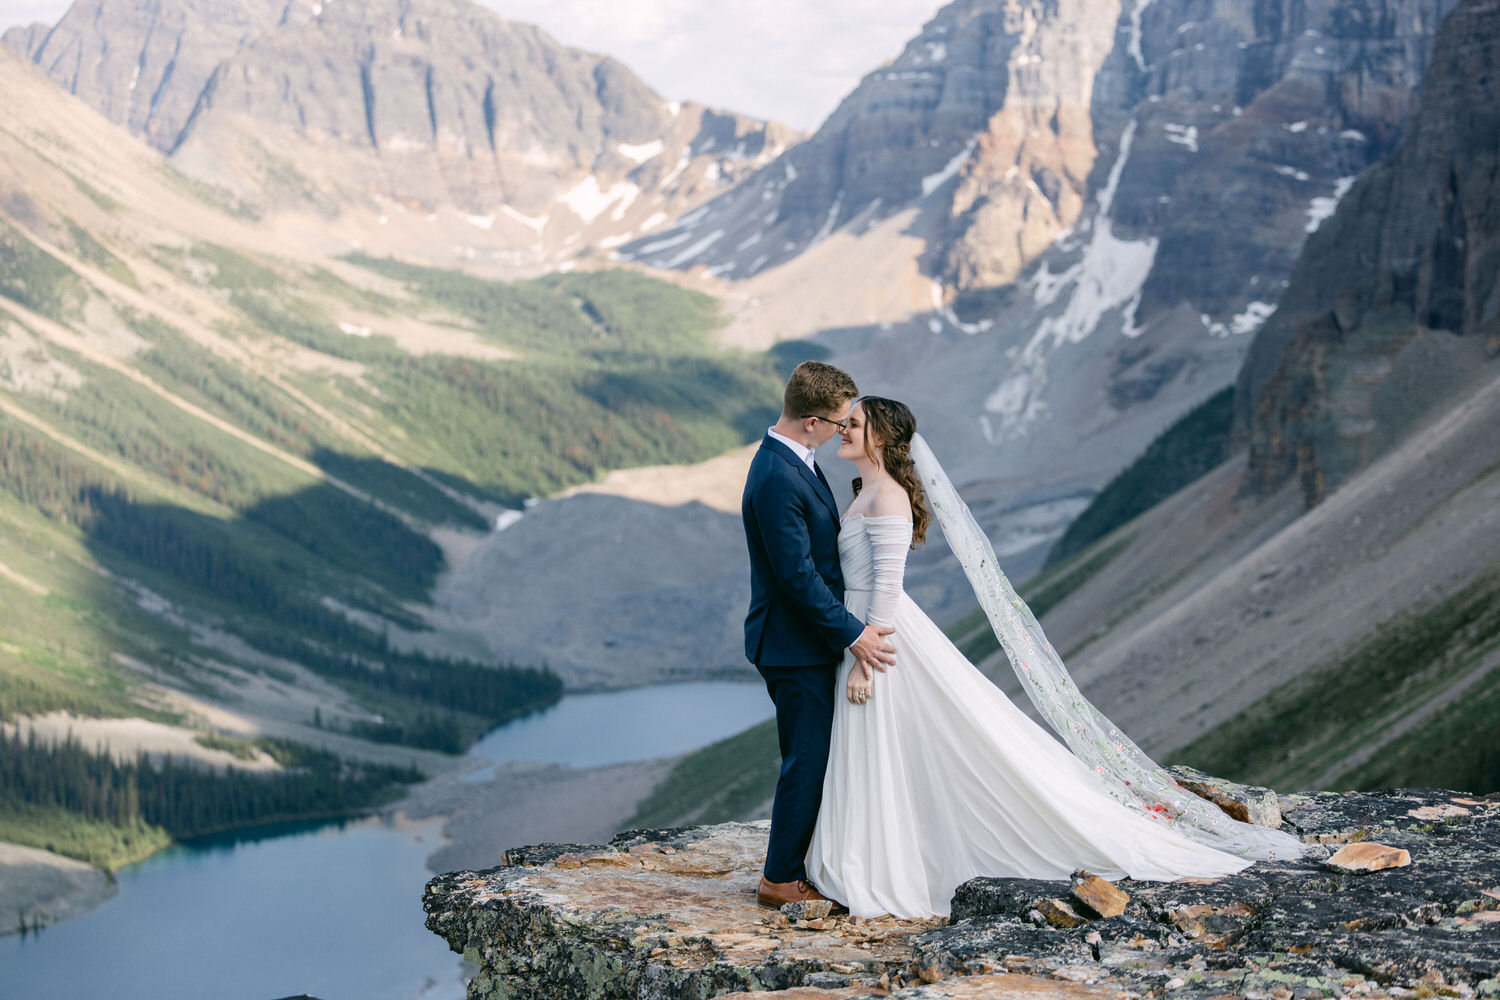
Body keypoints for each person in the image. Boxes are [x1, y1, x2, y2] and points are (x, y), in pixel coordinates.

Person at [804, 397, 1306, 919]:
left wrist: (866, 659)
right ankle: (877, 852)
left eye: (855, 424)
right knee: (889, 745)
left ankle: (884, 862)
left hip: (877, 636)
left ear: (880, 438)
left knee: (889, 738)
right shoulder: (870, 491)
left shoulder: (886, 499)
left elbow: (888, 585)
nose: (843, 429)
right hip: (862, 629)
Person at [741, 362, 897, 910]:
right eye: (837, 422)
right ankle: (779, 880)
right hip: (793, 643)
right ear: (811, 421)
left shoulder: (791, 461)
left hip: (804, 639)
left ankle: (800, 864)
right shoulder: (778, 476)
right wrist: (856, 636)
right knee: (806, 757)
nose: (842, 430)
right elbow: (797, 578)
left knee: (813, 754)